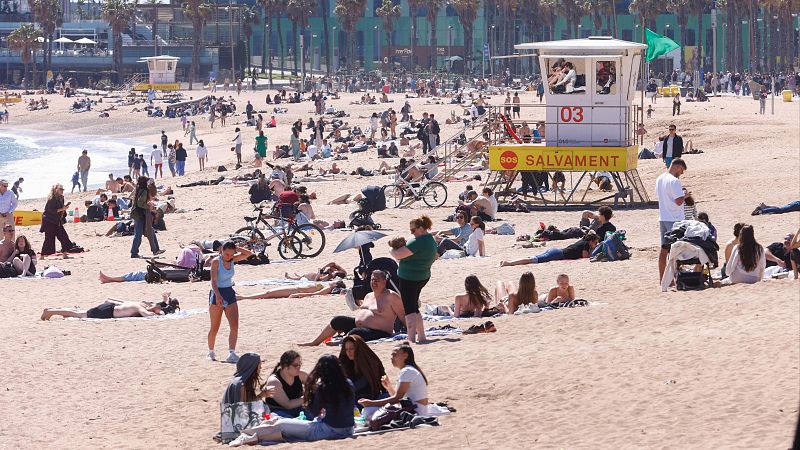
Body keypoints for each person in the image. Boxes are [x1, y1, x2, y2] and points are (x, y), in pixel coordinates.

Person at [230, 355, 355, 446]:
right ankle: (252, 435)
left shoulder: (324, 386)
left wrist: (310, 397)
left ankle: (247, 435)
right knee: (284, 423)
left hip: (328, 431)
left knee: (282, 425)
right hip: (349, 429)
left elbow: (314, 410)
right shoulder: (349, 383)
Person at [299, 270, 405, 345]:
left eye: (377, 280)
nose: (374, 282)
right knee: (337, 320)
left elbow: (403, 315)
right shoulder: (369, 295)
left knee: (356, 332)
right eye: (372, 280)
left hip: (379, 332)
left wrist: (412, 331)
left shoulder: (391, 296)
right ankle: (315, 342)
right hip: (358, 325)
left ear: (384, 281)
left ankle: (341, 342)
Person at [391, 216, 437, 344]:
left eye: (413, 230)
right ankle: (421, 336)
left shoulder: (419, 241)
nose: (412, 233)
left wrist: (391, 249)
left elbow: (398, 255)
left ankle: (411, 339)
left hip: (410, 278)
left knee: (409, 310)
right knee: (415, 309)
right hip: (422, 277)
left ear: (421, 228)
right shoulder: (430, 240)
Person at [358, 343, 429, 421]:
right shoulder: (407, 370)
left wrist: (371, 403)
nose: (392, 358)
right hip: (415, 409)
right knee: (369, 411)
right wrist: (388, 387)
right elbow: (399, 398)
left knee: (367, 411)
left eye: (394, 355)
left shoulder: (407, 371)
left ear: (405, 355)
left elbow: (397, 398)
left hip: (415, 411)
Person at [208, 241, 253, 363]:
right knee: (215, 327)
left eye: (231, 254)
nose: (228, 257)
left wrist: (236, 248)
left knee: (234, 325)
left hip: (229, 292)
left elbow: (249, 253)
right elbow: (213, 281)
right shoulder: (216, 261)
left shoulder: (232, 259)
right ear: (222, 251)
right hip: (217, 292)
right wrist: (217, 296)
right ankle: (211, 351)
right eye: (226, 254)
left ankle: (231, 353)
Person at [656, 158, 687, 281]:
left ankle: (662, 279)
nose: (682, 173)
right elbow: (679, 201)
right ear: (678, 167)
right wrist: (686, 196)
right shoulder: (674, 181)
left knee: (664, 250)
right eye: (682, 170)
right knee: (676, 251)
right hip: (674, 220)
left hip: (663, 217)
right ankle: (674, 279)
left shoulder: (660, 178)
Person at [499, 232, 600, 266]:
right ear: (591, 241)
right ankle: (509, 263)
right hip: (558, 254)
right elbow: (585, 257)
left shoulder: (582, 241)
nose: (596, 244)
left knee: (534, 258)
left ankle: (508, 262)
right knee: (533, 260)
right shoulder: (586, 244)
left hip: (556, 251)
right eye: (595, 242)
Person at [338, 335, 387, 403]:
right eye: (346, 349)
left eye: (351, 349)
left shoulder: (369, 362)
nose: (348, 352)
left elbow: (363, 382)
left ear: (358, 348)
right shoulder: (346, 363)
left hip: (368, 398)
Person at [264, 350, 308, 418]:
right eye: (296, 365)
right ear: (285, 366)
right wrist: (308, 397)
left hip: (298, 408)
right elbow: (288, 405)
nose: (299, 368)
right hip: (278, 411)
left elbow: (315, 386)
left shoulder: (300, 375)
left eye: (300, 365)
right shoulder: (274, 382)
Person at [41, 298, 168, 320]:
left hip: (108, 309)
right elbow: (147, 315)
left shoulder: (139, 303)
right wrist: (160, 315)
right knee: (78, 314)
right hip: (107, 312)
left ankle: (54, 311)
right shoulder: (139, 307)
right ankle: (50, 311)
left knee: (78, 313)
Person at [130, 177, 163, 258]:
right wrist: (149, 206)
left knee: (150, 231)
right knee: (139, 234)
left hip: (140, 214)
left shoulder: (139, 188)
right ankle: (134, 252)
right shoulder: (144, 190)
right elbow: (140, 203)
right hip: (140, 214)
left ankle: (156, 249)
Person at [40, 184, 75, 256]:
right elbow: (50, 210)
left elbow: (60, 209)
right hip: (49, 220)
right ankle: (42, 255)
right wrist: (62, 209)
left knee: (63, 237)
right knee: (49, 239)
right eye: (60, 189)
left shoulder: (61, 198)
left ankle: (65, 253)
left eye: (63, 189)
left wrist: (63, 209)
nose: (62, 191)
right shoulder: (51, 199)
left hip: (57, 221)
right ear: (56, 190)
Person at [239, 280, 346, 300]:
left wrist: (298, 294)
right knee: (269, 293)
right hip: (295, 289)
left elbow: (315, 293)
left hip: (295, 290)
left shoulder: (327, 288)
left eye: (335, 281)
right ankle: (243, 296)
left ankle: (243, 297)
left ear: (335, 285)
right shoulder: (326, 286)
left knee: (268, 293)